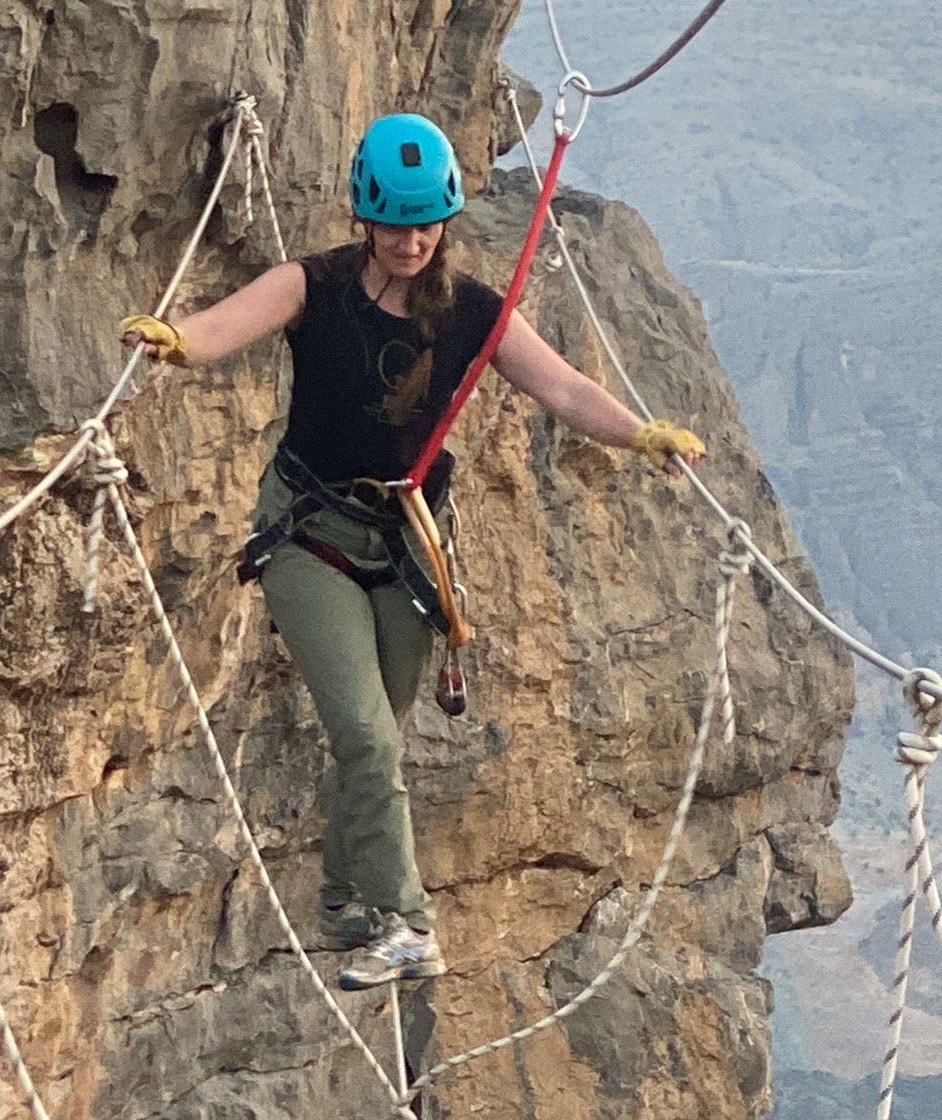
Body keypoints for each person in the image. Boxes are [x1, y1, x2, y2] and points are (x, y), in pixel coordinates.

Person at [121, 112, 706, 990]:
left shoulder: (472, 313)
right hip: (310, 532)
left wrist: (639, 435)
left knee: (378, 738)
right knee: (363, 732)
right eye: (394, 222)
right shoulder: (310, 286)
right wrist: (174, 342)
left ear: (446, 220)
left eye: (425, 222)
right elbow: (223, 328)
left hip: (406, 542)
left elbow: (561, 386)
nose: (409, 239)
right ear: (365, 216)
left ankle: (344, 898)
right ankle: (407, 924)